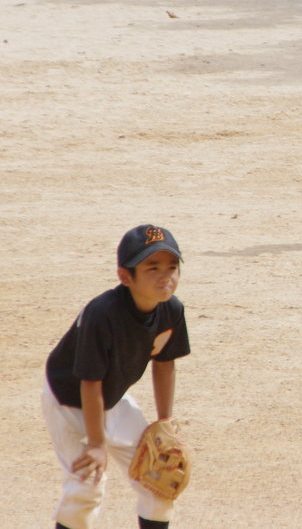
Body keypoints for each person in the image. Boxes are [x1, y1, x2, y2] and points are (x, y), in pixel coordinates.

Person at [42, 224, 190, 529]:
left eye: (172, 266)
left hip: (111, 397)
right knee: (86, 486)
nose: (166, 275)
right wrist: (96, 443)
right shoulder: (102, 314)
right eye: (152, 267)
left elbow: (164, 363)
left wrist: (164, 423)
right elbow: (89, 381)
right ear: (125, 276)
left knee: (160, 478)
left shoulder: (171, 309)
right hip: (69, 400)